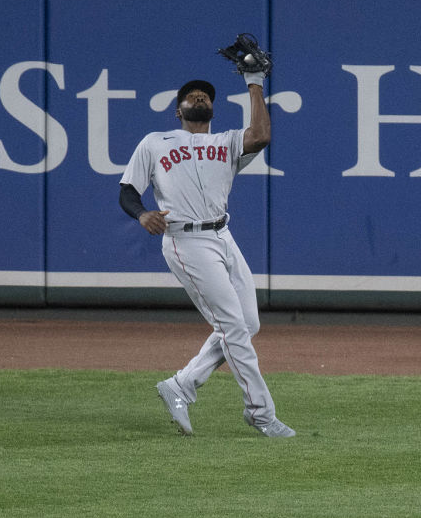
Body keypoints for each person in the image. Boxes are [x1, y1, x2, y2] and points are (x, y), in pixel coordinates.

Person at [118, 69, 294, 438]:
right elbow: (128, 191)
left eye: (205, 95)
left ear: (212, 108)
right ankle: (261, 413)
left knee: (248, 324)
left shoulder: (227, 142)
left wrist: (255, 83)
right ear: (177, 111)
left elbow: (260, 135)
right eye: (191, 95)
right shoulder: (156, 142)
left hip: (223, 235)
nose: (199, 97)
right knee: (232, 327)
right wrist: (142, 214)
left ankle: (182, 384)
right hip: (186, 241)